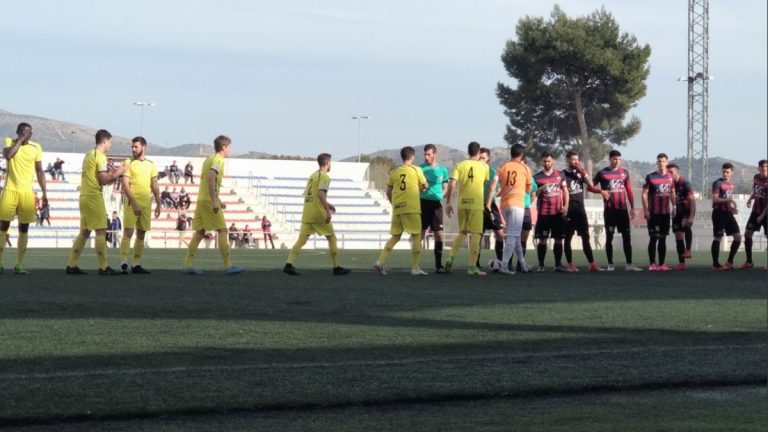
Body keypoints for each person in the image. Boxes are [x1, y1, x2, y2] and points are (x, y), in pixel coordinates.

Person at [65, 129, 128, 275]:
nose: (110, 145)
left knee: (84, 232)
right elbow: (104, 179)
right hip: (93, 195)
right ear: (105, 141)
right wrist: (120, 171)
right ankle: (104, 267)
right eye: (110, 142)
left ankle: (71, 265)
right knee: (101, 230)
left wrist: (113, 175)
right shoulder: (100, 156)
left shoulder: (88, 154)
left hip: (84, 196)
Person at [181, 135, 244, 275]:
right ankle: (228, 266)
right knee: (222, 230)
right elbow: (210, 177)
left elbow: (207, 182)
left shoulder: (208, 159)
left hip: (201, 200)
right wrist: (215, 201)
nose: (230, 150)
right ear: (223, 147)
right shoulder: (218, 160)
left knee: (200, 232)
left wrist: (218, 200)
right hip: (209, 201)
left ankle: (187, 265)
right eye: (229, 147)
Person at [283, 153, 351, 276]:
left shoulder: (312, 176)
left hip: (307, 212)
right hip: (318, 214)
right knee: (331, 237)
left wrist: (328, 204)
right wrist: (327, 211)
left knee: (301, 240)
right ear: (327, 163)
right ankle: (336, 267)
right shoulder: (324, 176)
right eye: (330, 162)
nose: (331, 165)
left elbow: (312, 195)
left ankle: (288, 264)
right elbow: (320, 193)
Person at [0, 123, 48, 274]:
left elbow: (39, 171)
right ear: (18, 132)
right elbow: (8, 155)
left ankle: (19, 264)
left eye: (30, 131)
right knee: (3, 226)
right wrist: (21, 139)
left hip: (27, 193)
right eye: (25, 131)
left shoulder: (36, 147)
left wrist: (44, 193)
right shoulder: (10, 142)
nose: (29, 134)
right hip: (10, 191)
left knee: (24, 228)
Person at [373, 146, 428, 275]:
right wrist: (420, 188)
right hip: (411, 207)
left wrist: (394, 204)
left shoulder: (394, 172)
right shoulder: (416, 170)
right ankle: (415, 268)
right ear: (412, 157)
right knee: (416, 236)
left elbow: (388, 191)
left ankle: (380, 262)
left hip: (398, 208)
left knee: (395, 236)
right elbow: (425, 185)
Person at [444, 141, 490, 276]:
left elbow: (452, 184)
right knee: (476, 234)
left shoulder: (460, 165)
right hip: (476, 204)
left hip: (462, 203)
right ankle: (472, 267)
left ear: (468, 151)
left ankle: (450, 256)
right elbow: (484, 182)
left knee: (463, 232)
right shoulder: (484, 167)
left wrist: (449, 202)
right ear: (478, 151)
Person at [485, 144, 532, 274]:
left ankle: (522, 264)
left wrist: (489, 203)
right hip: (517, 205)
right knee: (513, 235)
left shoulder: (502, 167)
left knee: (515, 236)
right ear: (521, 155)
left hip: (504, 206)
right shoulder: (525, 168)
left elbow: (493, 186)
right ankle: (504, 265)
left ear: (511, 154)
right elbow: (528, 189)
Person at [593, 150, 643, 271]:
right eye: (615, 159)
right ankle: (610, 264)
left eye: (619, 159)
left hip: (622, 210)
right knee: (609, 237)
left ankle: (629, 264)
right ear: (609, 159)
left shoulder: (624, 173)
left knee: (627, 236)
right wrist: (601, 191)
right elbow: (590, 186)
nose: (617, 161)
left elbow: (629, 191)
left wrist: (632, 207)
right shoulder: (602, 173)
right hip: (609, 211)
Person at [118, 136, 162, 274]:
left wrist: (159, 202)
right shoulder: (128, 163)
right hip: (132, 203)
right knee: (128, 232)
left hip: (146, 205)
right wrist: (135, 204)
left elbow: (154, 184)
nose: (133, 149)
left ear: (144, 146)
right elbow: (125, 185)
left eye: (136, 146)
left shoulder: (151, 164)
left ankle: (136, 264)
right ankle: (123, 262)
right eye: (132, 147)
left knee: (141, 233)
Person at [562, 151, 604, 272]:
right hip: (569, 211)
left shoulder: (580, 173)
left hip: (580, 211)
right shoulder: (563, 174)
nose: (575, 162)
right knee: (568, 237)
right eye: (573, 159)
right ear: (568, 160)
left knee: (585, 236)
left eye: (577, 160)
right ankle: (570, 264)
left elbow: (590, 185)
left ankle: (592, 264)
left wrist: (583, 172)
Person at [531, 151, 569, 272]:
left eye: (549, 161)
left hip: (558, 213)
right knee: (543, 239)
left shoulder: (560, 175)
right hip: (544, 213)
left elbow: (565, 191)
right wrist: (539, 190)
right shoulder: (536, 177)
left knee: (558, 239)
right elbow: (533, 196)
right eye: (545, 161)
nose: (547, 163)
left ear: (553, 161)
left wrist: (566, 205)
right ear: (542, 161)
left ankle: (558, 264)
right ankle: (541, 265)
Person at [641, 153, 676, 271]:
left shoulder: (670, 177)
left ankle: (661, 264)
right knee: (653, 238)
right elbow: (644, 194)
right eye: (659, 161)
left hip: (665, 213)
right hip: (653, 213)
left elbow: (672, 193)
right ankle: (652, 264)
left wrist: (674, 207)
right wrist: (645, 210)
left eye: (663, 161)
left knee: (663, 238)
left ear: (667, 162)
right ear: (657, 163)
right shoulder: (650, 177)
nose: (661, 163)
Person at [418, 144, 450, 273]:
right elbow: (415, 185)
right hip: (423, 203)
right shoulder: (420, 169)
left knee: (439, 233)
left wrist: (442, 195)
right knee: (420, 233)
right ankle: (416, 264)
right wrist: (421, 188)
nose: (426, 157)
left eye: (428, 154)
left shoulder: (443, 170)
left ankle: (438, 265)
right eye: (425, 154)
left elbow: (446, 186)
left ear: (434, 154)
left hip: (436, 205)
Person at [711, 163, 742, 271]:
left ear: (731, 173)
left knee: (738, 237)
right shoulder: (717, 183)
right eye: (723, 171)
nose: (725, 173)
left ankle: (729, 262)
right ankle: (715, 265)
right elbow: (715, 199)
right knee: (718, 237)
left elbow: (727, 198)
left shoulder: (730, 184)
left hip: (728, 214)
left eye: (727, 172)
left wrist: (732, 208)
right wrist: (729, 200)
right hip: (718, 213)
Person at [478, 147, 505, 267]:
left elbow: (499, 189)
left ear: (488, 159)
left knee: (499, 233)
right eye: (479, 158)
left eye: (483, 158)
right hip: (478, 205)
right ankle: (475, 263)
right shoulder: (475, 172)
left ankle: (501, 261)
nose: (481, 160)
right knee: (477, 236)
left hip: (491, 206)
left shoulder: (494, 172)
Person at [667, 163, 696, 270]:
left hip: (686, 210)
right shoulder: (669, 183)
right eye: (668, 172)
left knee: (685, 224)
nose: (669, 174)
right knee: (678, 235)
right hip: (676, 212)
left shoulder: (685, 183)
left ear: (677, 172)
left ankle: (688, 249)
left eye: (671, 172)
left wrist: (691, 217)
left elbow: (692, 201)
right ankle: (682, 263)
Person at [741, 159, 768, 269]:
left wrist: (762, 216)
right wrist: (750, 199)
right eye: (762, 167)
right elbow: (756, 191)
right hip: (755, 211)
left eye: (766, 166)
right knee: (747, 234)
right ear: (758, 168)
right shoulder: (756, 177)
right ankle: (749, 262)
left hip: (765, 213)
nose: (764, 168)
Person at [516, 157, 538, 272]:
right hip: (515, 207)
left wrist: (529, 202)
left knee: (523, 237)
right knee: (514, 237)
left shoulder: (529, 176)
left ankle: (520, 264)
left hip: (525, 209)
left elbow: (534, 190)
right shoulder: (514, 175)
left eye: (523, 165)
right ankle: (507, 263)